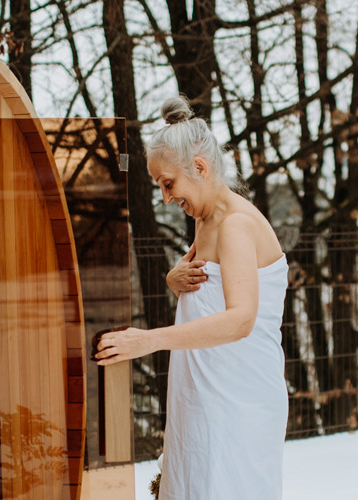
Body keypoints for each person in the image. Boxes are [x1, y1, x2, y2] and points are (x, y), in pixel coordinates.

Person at [93, 95, 289, 500]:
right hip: (202, 398)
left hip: (237, 401)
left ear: (199, 167)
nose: (166, 198)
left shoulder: (236, 225)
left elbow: (240, 319)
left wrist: (147, 341)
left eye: (168, 184)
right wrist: (172, 277)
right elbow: (207, 285)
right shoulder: (207, 219)